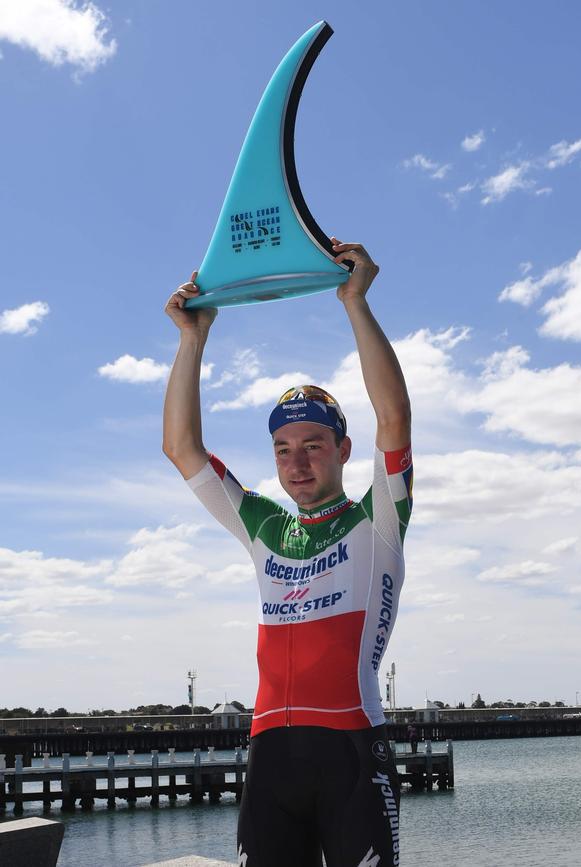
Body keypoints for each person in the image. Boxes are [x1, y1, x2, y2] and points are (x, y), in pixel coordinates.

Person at [163, 238, 412, 867]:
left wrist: (354, 302)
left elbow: (394, 416)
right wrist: (192, 339)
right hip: (270, 755)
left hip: (352, 749)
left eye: (313, 445)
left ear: (343, 450)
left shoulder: (376, 518)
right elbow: (183, 449)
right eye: (282, 449)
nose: (297, 462)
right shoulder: (264, 525)